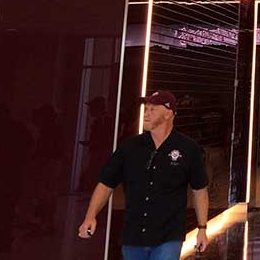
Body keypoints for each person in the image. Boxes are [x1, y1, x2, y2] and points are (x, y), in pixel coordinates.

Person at [77, 90, 208, 260]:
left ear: (169, 114)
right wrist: (90, 216)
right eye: (146, 109)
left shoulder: (188, 149)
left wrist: (202, 229)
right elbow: (106, 183)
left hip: (168, 237)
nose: (146, 114)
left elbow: (200, 190)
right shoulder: (130, 147)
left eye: (153, 109)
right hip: (133, 236)